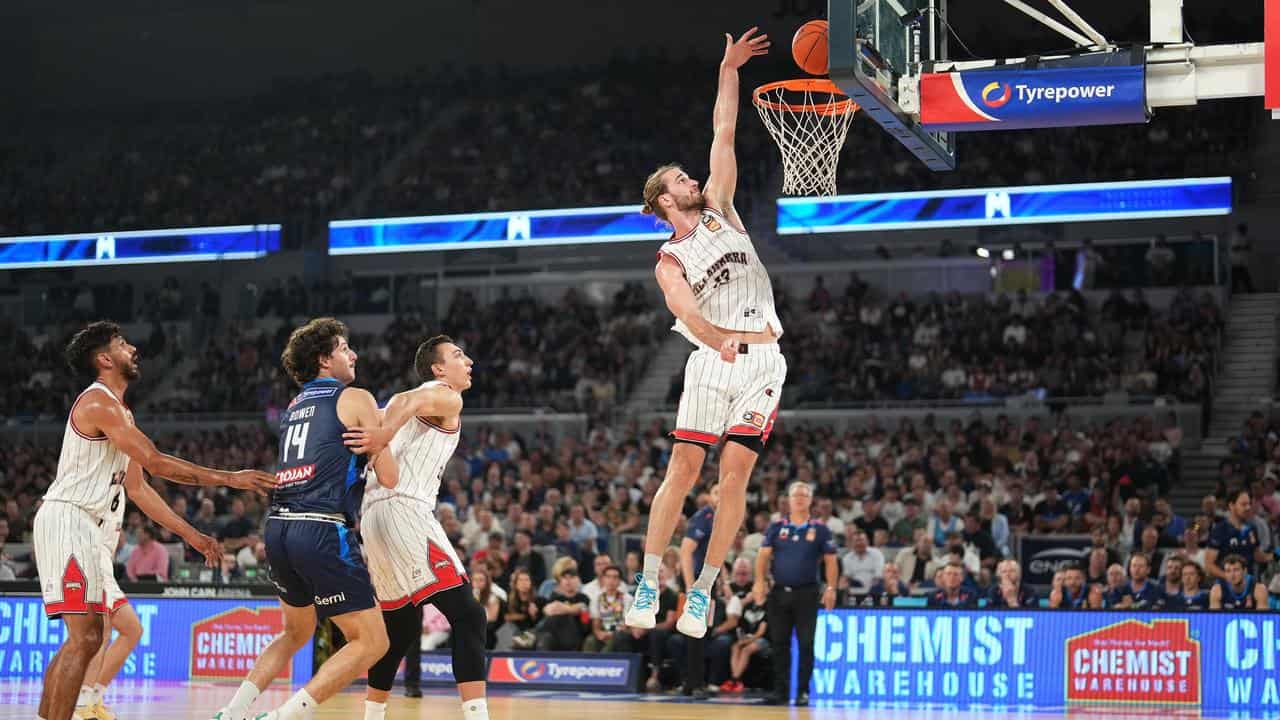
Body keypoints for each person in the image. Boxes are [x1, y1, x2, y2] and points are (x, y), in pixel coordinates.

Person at [627, 26, 783, 642]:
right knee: (684, 469)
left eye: (689, 176)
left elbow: (724, 128)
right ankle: (646, 579)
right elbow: (685, 312)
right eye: (680, 180)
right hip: (713, 360)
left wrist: (729, 69)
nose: (691, 180)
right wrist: (714, 337)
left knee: (735, 477)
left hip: (764, 361)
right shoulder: (669, 257)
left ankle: (702, 589)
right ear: (664, 201)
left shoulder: (720, 205)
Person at [34, 321, 272, 720]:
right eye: (123, 344)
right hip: (68, 519)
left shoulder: (120, 413)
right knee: (87, 637)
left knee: (85, 640)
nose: (134, 349)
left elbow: (140, 490)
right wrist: (230, 478)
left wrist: (192, 535)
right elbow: (158, 463)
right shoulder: (99, 403)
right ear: (105, 359)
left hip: (87, 529)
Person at [213, 318, 398, 720]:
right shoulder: (356, 397)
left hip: (278, 526)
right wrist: (381, 439)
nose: (354, 354)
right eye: (345, 347)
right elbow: (390, 477)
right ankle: (283, 717)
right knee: (372, 642)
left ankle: (231, 712)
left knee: (295, 632)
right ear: (323, 359)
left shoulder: (293, 408)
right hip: (320, 527)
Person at [341, 335, 490, 720]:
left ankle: (372, 714)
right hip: (404, 509)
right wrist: (382, 435)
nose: (469, 361)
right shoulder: (445, 395)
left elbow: (395, 406)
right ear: (439, 369)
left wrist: (381, 434)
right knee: (469, 615)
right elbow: (404, 401)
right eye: (459, 355)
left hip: (373, 516)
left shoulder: (420, 402)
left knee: (402, 623)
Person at [752, 482, 838, 706]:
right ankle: (780, 692)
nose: (799, 499)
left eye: (804, 495)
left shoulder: (820, 529)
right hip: (779, 593)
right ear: (788, 500)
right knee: (779, 644)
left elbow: (831, 561)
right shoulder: (776, 527)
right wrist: (759, 582)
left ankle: (802, 692)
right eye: (795, 495)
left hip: (807, 594)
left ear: (810, 500)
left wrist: (831, 588)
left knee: (806, 643)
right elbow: (762, 557)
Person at [679, 483, 719, 698]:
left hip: (710, 580)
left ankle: (695, 681)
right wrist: (689, 585)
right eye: (716, 492)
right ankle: (693, 684)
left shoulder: (725, 516)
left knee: (703, 633)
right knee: (695, 634)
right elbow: (685, 552)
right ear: (709, 496)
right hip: (697, 582)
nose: (721, 496)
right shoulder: (704, 517)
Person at [1206, 490, 1268, 581]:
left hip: (1248, 584)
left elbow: (1257, 556)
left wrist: (1275, 555)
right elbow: (1209, 565)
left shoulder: (1251, 528)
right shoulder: (1219, 529)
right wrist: (1230, 578)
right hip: (1226, 587)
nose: (1248, 507)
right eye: (1243, 504)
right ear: (1231, 506)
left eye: (1249, 504)